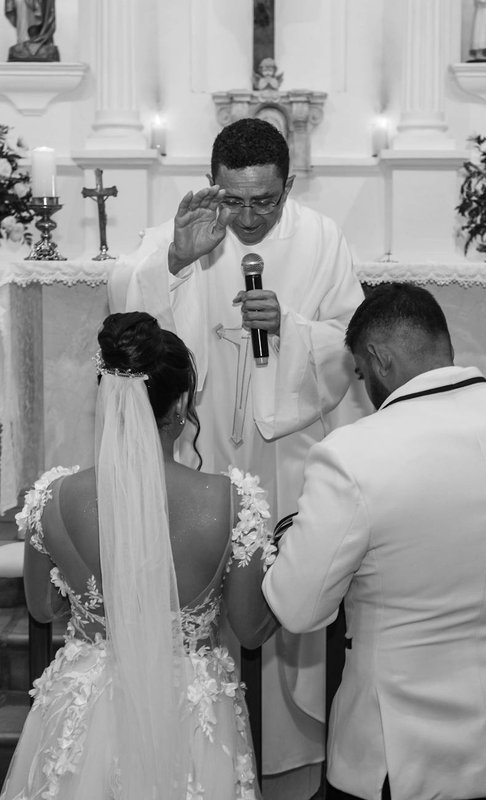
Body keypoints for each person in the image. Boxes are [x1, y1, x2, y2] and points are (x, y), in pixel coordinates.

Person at [108, 117, 367, 796]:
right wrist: (171, 262)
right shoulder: (184, 229)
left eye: (265, 201)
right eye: (235, 200)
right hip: (196, 445)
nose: (249, 218)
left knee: (282, 586)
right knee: (196, 591)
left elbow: (353, 340)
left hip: (288, 451)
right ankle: (199, 744)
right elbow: (124, 315)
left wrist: (294, 332)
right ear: (210, 185)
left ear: (289, 186)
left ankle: (285, 746)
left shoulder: (320, 239)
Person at [263, 283, 486, 800]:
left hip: (405, 759)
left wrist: (288, 539)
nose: (365, 388)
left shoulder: (351, 455)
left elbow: (299, 609)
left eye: (362, 375)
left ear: (377, 359)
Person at [0, 311, 280, 800]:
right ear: (180, 407)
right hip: (189, 709)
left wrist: (92, 605)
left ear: (109, 397)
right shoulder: (232, 502)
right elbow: (251, 627)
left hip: (85, 704)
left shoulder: (52, 496)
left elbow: (43, 607)